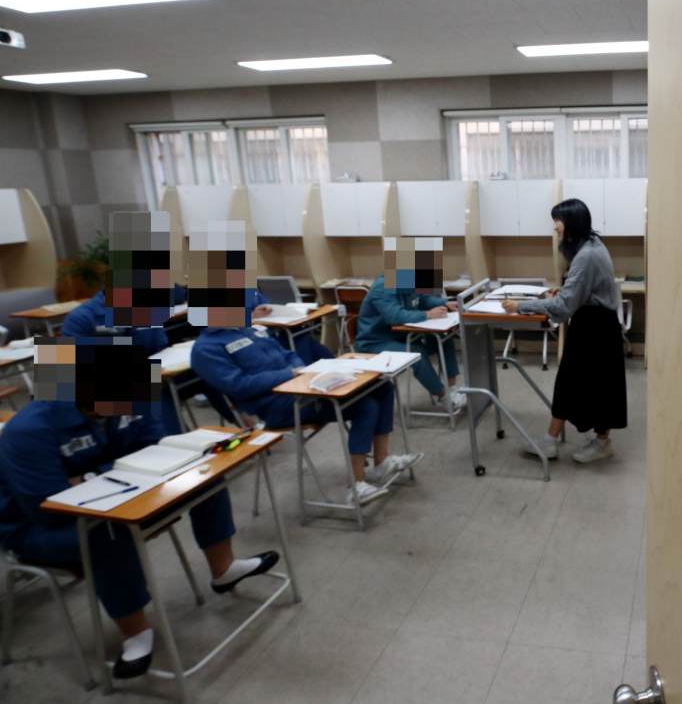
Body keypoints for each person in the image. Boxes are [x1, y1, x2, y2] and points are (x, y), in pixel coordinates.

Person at [0, 339, 279, 679]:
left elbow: (156, 446)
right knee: (105, 531)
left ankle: (224, 569)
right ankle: (135, 632)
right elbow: (48, 508)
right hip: (38, 528)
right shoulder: (28, 430)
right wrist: (114, 472)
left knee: (203, 478)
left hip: (124, 492)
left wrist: (91, 475)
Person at [191, 306, 420, 506]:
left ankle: (382, 463)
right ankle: (356, 486)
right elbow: (238, 386)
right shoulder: (205, 348)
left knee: (382, 387)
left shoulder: (247, 329)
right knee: (365, 405)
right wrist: (289, 375)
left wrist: (301, 371)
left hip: (302, 388)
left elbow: (289, 354)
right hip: (277, 406)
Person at [502, 198, 627, 463]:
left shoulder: (587, 255)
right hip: (594, 324)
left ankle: (597, 443)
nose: (555, 227)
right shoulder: (591, 246)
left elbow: (563, 306)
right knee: (577, 385)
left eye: (558, 221)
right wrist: (569, 290)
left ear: (571, 222)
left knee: (594, 387)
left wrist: (521, 306)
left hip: (594, 329)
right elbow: (576, 292)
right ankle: (553, 440)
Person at [62, 287, 239, 434]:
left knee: (205, 369)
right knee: (150, 393)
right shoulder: (80, 318)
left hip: (155, 374)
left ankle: (244, 423)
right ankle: (177, 446)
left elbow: (160, 347)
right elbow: (73, 370)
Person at [354, 274, 467, 411]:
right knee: (417, 354)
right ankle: (445, 398)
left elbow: (423, 299)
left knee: (444, 341)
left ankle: (452, 390)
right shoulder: (382, 286)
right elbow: (395, 316)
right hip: (375, 342)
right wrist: (427, 314)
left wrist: (444, 303)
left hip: (400, 336)